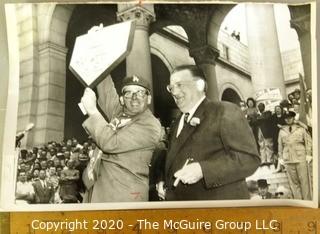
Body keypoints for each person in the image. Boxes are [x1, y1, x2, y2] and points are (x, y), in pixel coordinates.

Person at [161, 65, 260, 200]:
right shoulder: (177, 123)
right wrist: (163, 181)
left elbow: (249, 159)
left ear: (200, 85)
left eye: (179, 85)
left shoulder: (225, 111)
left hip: (217, 210)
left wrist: (203, 170)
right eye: (171, 87)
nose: (174, 92)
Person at [80, 74, 162, 202]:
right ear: (122, 100)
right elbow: (106, 91)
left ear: (149, 98)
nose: (134, 98)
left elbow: (110, 142)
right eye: (128, 93)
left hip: (124, 196)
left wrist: (92, 110)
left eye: (140, 92)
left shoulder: (151, 126)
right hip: (98, 189)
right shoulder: (120, 112)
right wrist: (98, 64)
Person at [278, 111, 312, 200]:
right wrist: (280, 157)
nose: (288, 119)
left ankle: (307, 201)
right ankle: (299, 201)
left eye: (290, 117)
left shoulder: (301, 128)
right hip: (288, 158)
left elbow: (308, 141)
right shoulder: (282, 131)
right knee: (293, 183)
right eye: (286, 118)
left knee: (304, 181)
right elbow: (280, 145)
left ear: (293, 118)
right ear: (284, 119)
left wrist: (308, 154)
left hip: (301, 157)